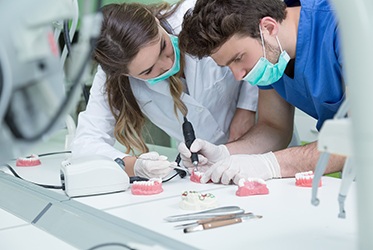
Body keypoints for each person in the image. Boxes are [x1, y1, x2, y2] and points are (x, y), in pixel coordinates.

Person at [71, 0, 259, 179]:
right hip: (207, 170)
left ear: (155, 21)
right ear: (124, 75)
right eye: (148, 71)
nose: (167, 63)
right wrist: (133, 165)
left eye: (163, 46)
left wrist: (247, 107)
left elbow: (257, 35)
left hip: (263, 140)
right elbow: (86, 143)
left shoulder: (196, 14)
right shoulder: (111, 76)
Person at [177, 0, 346, 184]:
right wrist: (223, 154)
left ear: (268, 27)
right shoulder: (274, 55)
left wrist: (269, 164)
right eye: (228, 67)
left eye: (239, 58)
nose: (238, 75)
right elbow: (274, 127)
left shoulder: (345, 26)